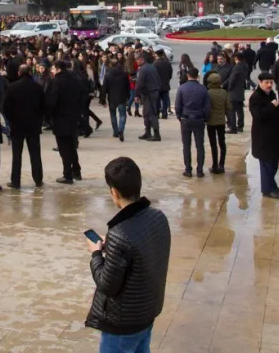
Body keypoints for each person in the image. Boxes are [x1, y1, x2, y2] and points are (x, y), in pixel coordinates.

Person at [84, 157, 171, 353]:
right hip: (146, 312)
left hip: (123, 323)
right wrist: (113, 247)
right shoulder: (158, 217)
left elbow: (107, 285)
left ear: (114, 192)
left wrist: (96, 253)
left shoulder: (120, 234)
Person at [2, 63, 45, 189]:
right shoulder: (37, 87)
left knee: (16, 155)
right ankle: (38, 180)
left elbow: (5, 107)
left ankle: (15, 181)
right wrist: (39, 120)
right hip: (33, 125)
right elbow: (44, 106)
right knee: (35, 154)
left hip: (17, 125)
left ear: (19, 73)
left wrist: (11, 120)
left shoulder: (12, 87)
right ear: (29, 72)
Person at [250, 73, 279, 199]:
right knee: (267, 164)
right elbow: (258, 115)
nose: (269, 85)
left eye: (271, 82)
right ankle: (267, 189)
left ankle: (273, 186)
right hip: (263, 137)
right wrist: (272, 105)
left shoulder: (271, 94)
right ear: (260, 82)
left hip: (274, 135)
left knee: (274, 163)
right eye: (266, 82)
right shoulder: (255, 97)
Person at [47, 60, 84, 184]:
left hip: (60, 118)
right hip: (73, 117)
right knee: (71, 146)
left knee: (64, 148)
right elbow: (82, 97)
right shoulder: (75, 79)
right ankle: (76, 171)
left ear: (58, 69)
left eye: (53, 68)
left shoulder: (57, 82)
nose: (51, 71)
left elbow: (52, 101)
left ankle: (67, 174)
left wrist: (48, 115)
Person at [175, 67, 210, 178]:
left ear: (188, 76)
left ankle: (188, 169)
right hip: (199, 119)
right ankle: (199, 170)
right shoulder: (203, 89)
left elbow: (177, 105)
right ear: (197, 76)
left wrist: (179, 116)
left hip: (186, 118)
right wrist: (206, 118)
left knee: (186, 145)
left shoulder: (182, 88)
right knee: (200, 145)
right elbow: (207, 107)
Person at [204, 71, 231, 175]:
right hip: (221, 121)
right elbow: (229, 107)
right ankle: (222, 165)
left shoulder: (208, 93)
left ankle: (214, 166)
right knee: (222, 143)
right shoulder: (224, 92)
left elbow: (206, 108)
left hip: (211, 122)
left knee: (213, 144)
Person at [134, 53, 161, 142]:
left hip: (149, 93)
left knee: (151, 114)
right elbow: (158, 79)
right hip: (154, 92)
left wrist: (136, 95)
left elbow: (140, 83)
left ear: (142, 59)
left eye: (137, 60)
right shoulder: (152, 67)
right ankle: (148, 132)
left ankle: (156, 134)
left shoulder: (143, 69)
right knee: (146, 113)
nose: (136, 62)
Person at [103, 58, 130, 141]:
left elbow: (104, 88)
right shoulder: (124, 74)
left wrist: (103, 99)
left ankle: (115, 132)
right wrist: (128, 97)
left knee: (113, 115)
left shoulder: (107, 75)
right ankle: (121, 130)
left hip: (112, 98)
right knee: (122, 115)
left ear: (110, 65)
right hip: (121, 97)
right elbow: (127, 86)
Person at [225, 53, 248, 133]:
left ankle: (233, 127)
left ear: (236, 58)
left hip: (234, 91)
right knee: (240, 110)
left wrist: (229, 88)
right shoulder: (244, 66)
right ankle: (240, 126)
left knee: (231, 110)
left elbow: (232, 79)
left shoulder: (236, 67)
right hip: (240, 90)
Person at [156, 52, 174, 119]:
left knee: (157, 101)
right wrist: (167, 79)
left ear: (157, 55)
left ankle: (157, 113)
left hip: (157, 85)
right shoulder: (167, 63)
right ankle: (164, 114)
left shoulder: (155, 64)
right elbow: (170, 74)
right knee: (165, 100)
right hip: (165, 85)